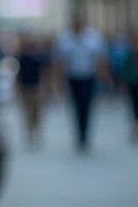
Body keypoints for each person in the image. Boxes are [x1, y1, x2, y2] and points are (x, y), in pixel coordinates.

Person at [53, 15, 108, 152]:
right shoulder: (65, 39)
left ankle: (84, 136)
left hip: (88, 77)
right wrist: (59, 81)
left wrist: (104, 76)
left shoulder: (93, 38)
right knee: (75, 107)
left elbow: (101, 58)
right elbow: (59, 61)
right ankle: (79, 135)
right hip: (73, 78)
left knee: (86, 106)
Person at [15, 32, 49, 146]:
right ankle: (29, 131)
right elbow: (18, 74)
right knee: (27, 111)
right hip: (25, 87)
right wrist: (16, 88)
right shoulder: (22, 58)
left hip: (36, 88)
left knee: (36, 112)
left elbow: (43, 73)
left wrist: (44, 86)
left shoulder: (39, 57)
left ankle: (36, 131)